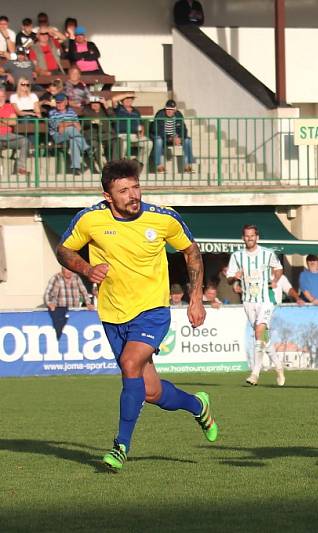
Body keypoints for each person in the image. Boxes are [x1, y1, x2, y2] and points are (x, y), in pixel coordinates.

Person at [56, 159, 219, 472]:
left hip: (152, 311)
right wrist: (87, 268)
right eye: (123, 190)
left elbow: (191, 252)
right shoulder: (90, 219)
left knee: (130, 364)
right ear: (108, 196)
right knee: (151, 391)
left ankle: (120, 447)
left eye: (135, 187)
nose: (133, 195)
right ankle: (199, 405)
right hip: (113, 314)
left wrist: (195, 298)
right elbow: (64, 250)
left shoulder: (163, 219)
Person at [226, 224, 286, 387]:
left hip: (266, 299)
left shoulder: (267, 254)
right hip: (248, 300)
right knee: (263, 338)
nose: (249, 238)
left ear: (257, 237)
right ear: (243, 238)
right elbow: (229, 277)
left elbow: (279, 268)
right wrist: (235, 277)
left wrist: (275, 279)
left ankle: (255, 373)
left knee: (259, 331)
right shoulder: (237, 256)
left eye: (252, 236)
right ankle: (279, 366)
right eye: (246, 236)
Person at [45, 266, 94, 340]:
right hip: (60, 311)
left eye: (70, 271)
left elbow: (84, 292)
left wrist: (88, 303)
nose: (69, 273)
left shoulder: (76, 278)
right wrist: (49, 303)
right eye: (66, 271)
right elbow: (48, 293)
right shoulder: (56, 278)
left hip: (74, 311)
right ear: (62, 270)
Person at [48, 93, 91, 176]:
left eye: (61, 102)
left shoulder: (72, 112)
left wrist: (65, 124)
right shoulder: (52, 113)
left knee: (74, 140)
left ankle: (75, 168)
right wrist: (71, 123)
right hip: (58, 137)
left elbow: (78, 128)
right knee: (71, 129)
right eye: (57, 102)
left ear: (66, 102)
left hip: (72, 135)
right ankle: (86, 148)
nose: (59, 104)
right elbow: (59, 129)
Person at [151, 99, 195, 173]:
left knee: (188, 140)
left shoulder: (179, 115)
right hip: (163, 138)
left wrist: (180, 138)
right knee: (158, 140)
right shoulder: (160, 114)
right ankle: (159, 166)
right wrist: (170, 138)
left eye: (171, 109)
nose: (169, 111)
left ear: (175, 110)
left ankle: (188, 166)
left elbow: (184, 129)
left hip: (174, 138)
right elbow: (157, 131)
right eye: (167, 109)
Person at [0, 87, 30, 176]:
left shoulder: (9, 106)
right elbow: (10, 121)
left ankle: (21, 168)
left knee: (24, 141)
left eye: (2, 96)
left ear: (5, 97)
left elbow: (13, 122)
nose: (1, 98)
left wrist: (1, 121)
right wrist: (6, 121)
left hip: (9, 136)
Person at [113, 93, 150, 163]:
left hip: (135, 135)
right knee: (123, 144)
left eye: (130, 99)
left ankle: (139, 163)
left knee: (149, 143)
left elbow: (141, 124)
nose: (128, 101)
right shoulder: (118, 108)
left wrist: (141, 133)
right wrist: (127, 95)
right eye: (126, 99)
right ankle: (121, 164)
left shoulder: (136, 111)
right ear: (122, 101)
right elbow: (114, 99)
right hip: (122, 135)